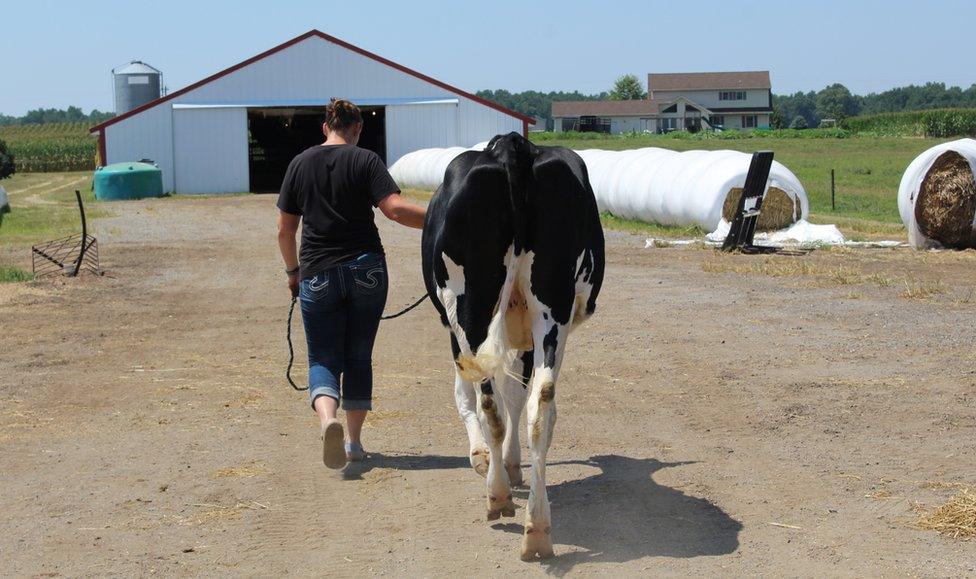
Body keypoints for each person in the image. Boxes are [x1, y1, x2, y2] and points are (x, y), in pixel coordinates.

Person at [277, 98, 427, 470]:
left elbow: (285, 230)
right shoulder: (366, 160)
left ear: (325, 127)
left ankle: (328, 419)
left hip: (317, 273)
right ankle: (354, 443)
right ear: (357, 128)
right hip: (366, 271)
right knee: (358, 356)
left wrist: (293, 272)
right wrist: (446, 217)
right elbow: (394, 209)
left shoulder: (300, 163)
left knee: (324, 357)